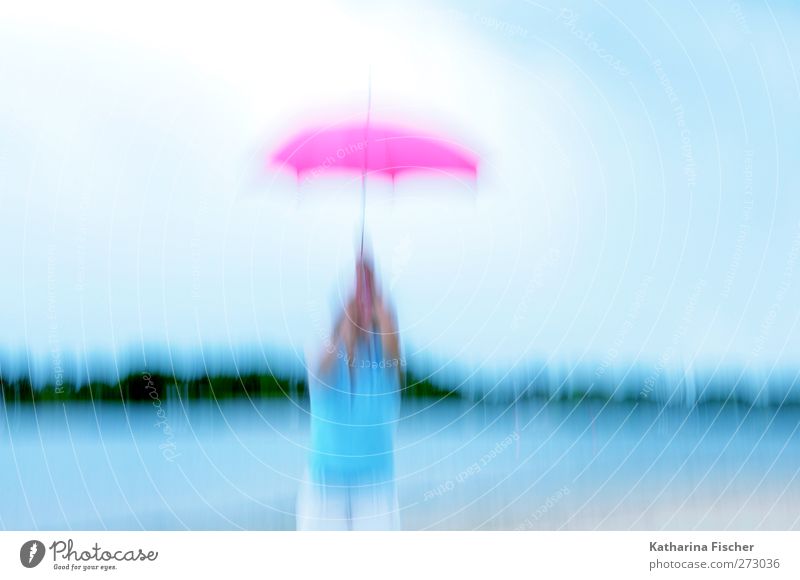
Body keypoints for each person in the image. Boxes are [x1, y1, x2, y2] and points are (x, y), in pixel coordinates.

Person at [296, 255, 403, 530]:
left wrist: (375, 294)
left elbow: (395, 353)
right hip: (325, 480)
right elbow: (321, 375)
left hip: (374, 480)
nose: (361, 311)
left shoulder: (383, 354)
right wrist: (344, 325)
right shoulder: (324, 346)